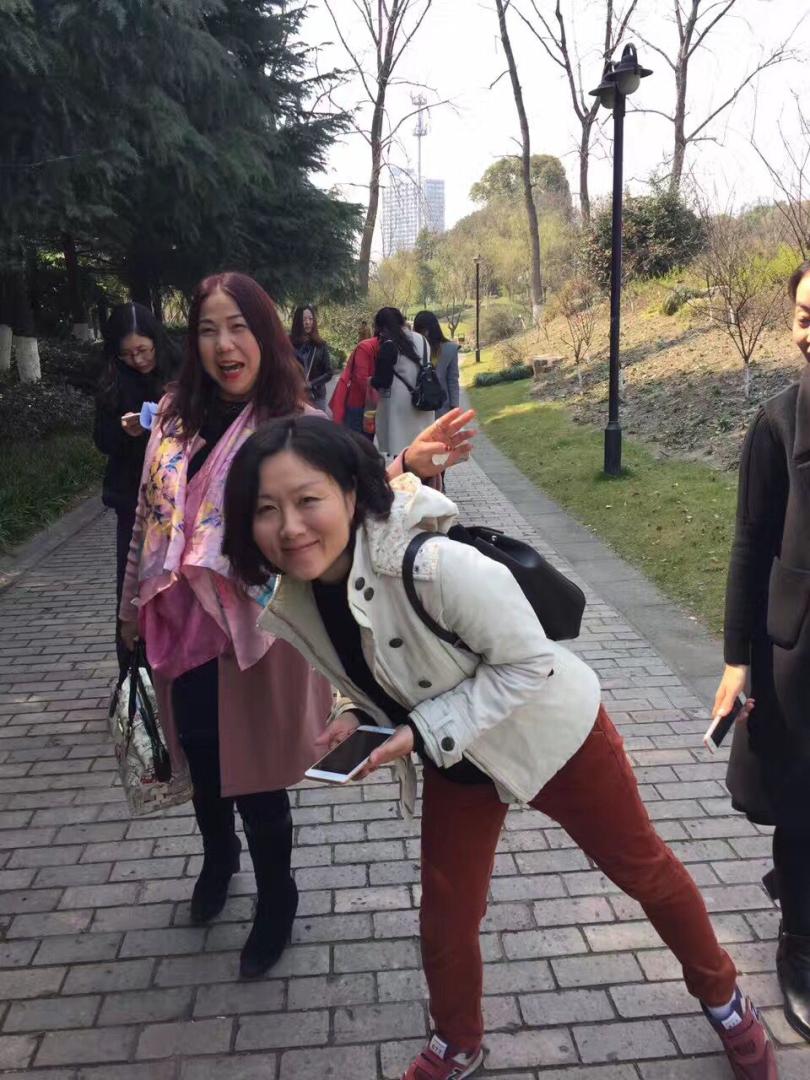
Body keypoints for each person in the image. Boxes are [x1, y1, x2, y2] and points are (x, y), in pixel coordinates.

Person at [223, 416, 776, 1080]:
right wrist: (354, 712)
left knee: (645, 872)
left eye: (307, 500)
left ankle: (725, 1001)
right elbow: (366, 661)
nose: (289, 527)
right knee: (446, 918)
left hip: (555, 737)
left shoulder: (434, 565)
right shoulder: (304, 591)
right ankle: (458, 1041)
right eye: (266, 509)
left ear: (349, 492)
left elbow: (529, 663)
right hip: (458, 759)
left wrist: (418, 732)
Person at [119, 270, 476, 981]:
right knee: (201, 760)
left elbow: (353, 490)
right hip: (178, 627)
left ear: (265, 335)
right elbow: (145, 519)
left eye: (239, 327)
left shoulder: (293, 420)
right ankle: (218, 859)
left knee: (255, 777)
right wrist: (129, 610)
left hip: (259, 630)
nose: (225, 345)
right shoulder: (174, 419)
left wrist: (407, 462)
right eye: (209, 330)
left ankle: (276, 897)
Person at [713, 259, 810, 1044]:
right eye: (806, 316)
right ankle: (800, 943)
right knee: (803, 803)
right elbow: (749, 547)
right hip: (797, 653)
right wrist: (736, 661)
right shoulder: (777, 424)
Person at [93, 302, 178, 672]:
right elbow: (102, 440)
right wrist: (125, 431)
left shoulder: (179, 369)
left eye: (143, 350)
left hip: (178, 497)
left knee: (175, 587)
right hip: (131, 499)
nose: (138, 359)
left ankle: (175, 668)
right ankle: (132, 677)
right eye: (128, 354)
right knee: (130, 591)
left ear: (156, 340)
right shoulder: (113, 378)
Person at [371, 306, 436, 456]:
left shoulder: (390, 344)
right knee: (420, 447)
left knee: (401, 449)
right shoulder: (422, 340)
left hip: (400, 405)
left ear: (383, 328)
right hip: (423, 399)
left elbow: (383, 381)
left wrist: (371, 381)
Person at [413, 310, 460, 418]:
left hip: (438, 407)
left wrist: (454, 406)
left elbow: (452, 380)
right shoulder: (414, 348)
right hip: (421, 407)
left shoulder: (449, 349)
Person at [289, 305, 333, 411]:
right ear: (298, 321)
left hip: (316, 396)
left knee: (317, 421)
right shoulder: (288, 343)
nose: (308, 322)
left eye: (311, 319)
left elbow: (328, 373)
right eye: (304, 319)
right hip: (295, 396)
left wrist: (311, 384)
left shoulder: (320, 345)